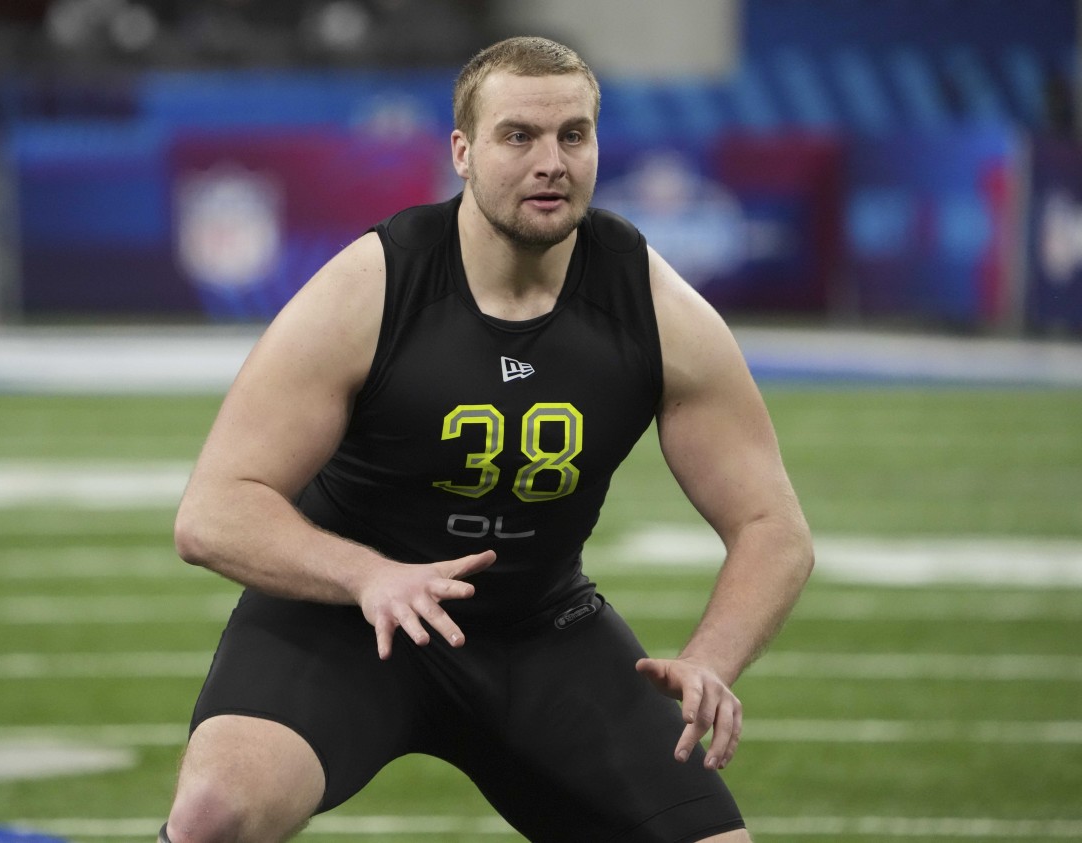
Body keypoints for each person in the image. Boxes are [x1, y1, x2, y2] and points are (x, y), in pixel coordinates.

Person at [162, 35, 813, 843]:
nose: (552, 161)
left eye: (573, 135)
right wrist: (369, 574)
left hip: (538, 629)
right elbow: (212, 513)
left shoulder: (653, 306)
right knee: (212, 815)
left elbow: (773, 527)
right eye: (520, 136)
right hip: (349, 619)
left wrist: (712, 657)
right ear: (463, 153)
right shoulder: (371, 287)